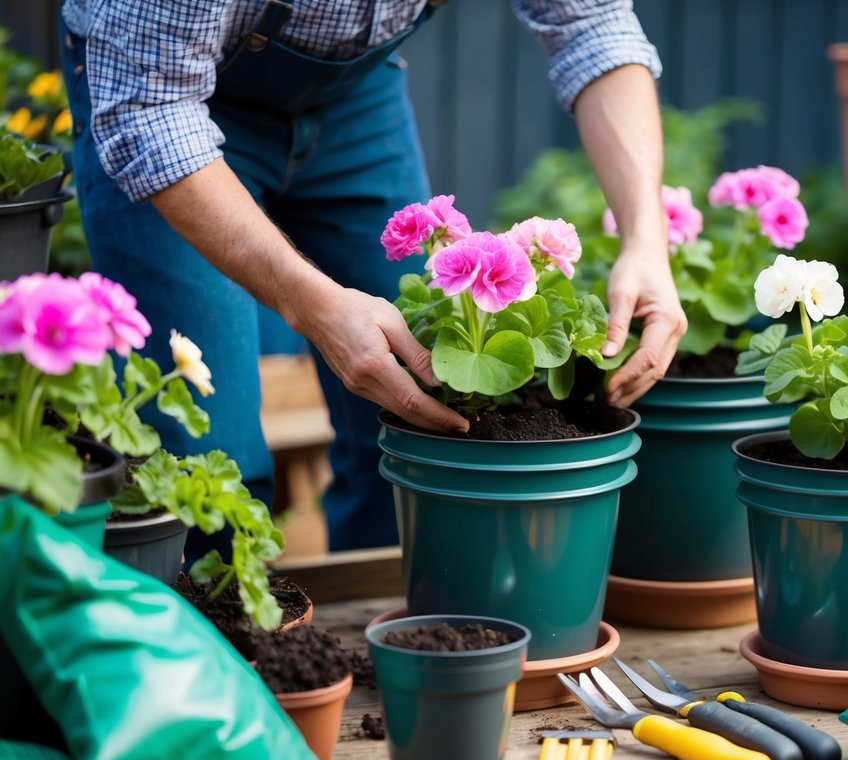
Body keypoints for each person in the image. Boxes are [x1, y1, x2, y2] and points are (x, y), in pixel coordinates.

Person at [60, 0, 686, 553]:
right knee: (208, 466)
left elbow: (594, 25)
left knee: (406, 426)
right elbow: (150, 111)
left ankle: (411, 645)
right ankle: (222, 670)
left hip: (353, 95)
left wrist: (645, 239)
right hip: (163, 99)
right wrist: (313, 304)